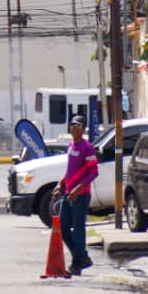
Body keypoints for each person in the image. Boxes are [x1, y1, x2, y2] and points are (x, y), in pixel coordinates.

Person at [59, 115, 98, 275]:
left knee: (78, 229)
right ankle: (81, 257)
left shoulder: (87, 147)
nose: (74, 128)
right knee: (63, 227)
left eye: (78, 125)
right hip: (69, 193)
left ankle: (77, 264)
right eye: (72, 125)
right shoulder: (71, 145)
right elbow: (70, 169)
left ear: (83, 129)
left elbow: (93, 172)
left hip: (80, 195)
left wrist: (77, 189)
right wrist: (60, 183)